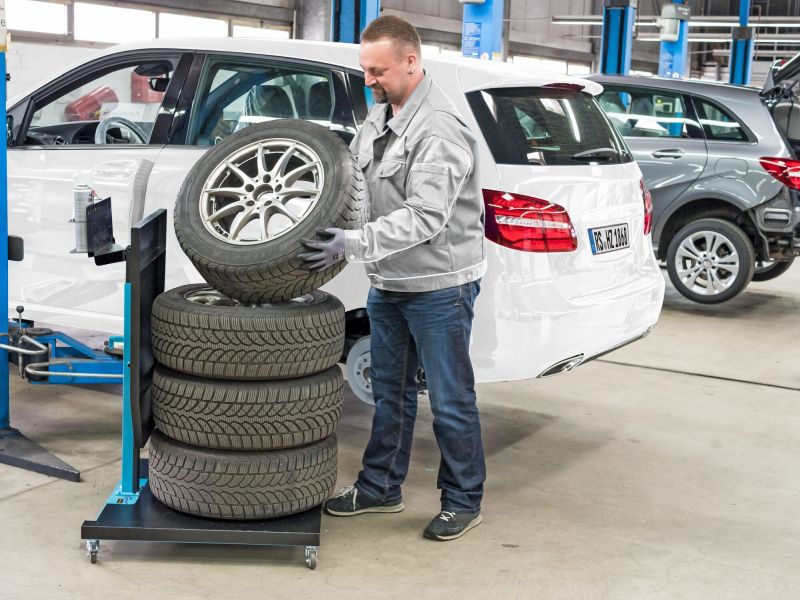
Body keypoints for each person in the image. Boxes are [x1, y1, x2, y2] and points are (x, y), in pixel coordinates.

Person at [299, 15, 487, 542]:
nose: (368, 81)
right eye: (365, 70)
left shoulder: (439, 129)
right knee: (390, 393)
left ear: (411, 61)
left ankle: (463, 501)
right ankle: (380, 488)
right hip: (390, 281)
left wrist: (351, 243)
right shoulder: (380, 116)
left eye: (377, 71)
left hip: (439, 287)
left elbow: (426, 217)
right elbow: (357, 182)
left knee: (450, 401)